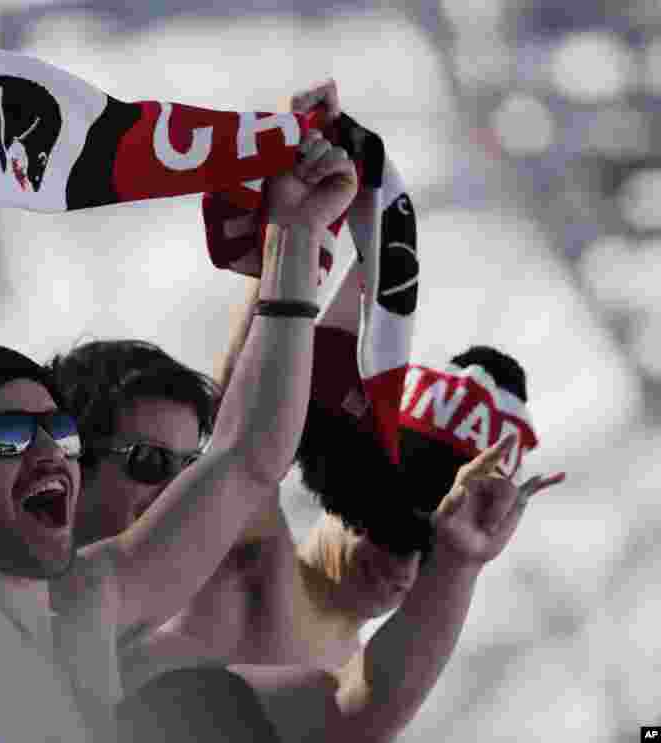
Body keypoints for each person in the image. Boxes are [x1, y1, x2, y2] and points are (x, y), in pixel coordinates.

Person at [0, 43, 357, 742]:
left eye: (59, 431)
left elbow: (247, 458)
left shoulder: (89, 602)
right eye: (9, 435)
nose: (51, 452)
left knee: (276, 700)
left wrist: (293, 239)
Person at [109, 272, 564, 742]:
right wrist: (297, 248)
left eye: (424, 551)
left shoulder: (375, 678)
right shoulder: (253, 549)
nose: (401, 566)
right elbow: (241, 420)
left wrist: (459, 558)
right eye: (391, 529)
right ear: (348, 493)